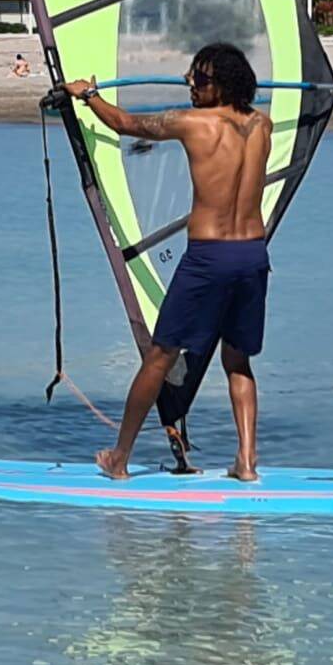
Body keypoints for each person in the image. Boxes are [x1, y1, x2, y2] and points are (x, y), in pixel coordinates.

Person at [64, 42, 272, 483]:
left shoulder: (193, 123)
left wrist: (87, 95)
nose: (189, 83)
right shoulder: (263, 124)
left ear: (221, 85)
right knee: (237, 361)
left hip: (209, 259)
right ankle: (247, 463)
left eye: (198, 78)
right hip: (253, 256)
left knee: (160, 356)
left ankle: (119, 457)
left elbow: (124, 124)